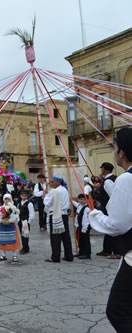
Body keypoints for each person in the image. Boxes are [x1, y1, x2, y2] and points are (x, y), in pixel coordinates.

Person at [89, 128, 132, 332]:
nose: (114, 152)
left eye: (114, 147)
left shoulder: (126, 179)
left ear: (121, 152)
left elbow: (117, 225)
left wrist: (94, 216)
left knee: (117, 310)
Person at [43, 176, 74, 263]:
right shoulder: (64, 190)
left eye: (52, 182)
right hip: (64, 215)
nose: (50, 183)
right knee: (65, 236)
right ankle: (69, 255)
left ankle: (55, 256)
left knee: (55, 236)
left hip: (55, 214)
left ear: (58, 182)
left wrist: (45, 196)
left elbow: (47, 202)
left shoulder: (54, 191)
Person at [95, 162, 120, 259]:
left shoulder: (108, 181)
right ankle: (107, 249)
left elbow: (113, 195)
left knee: (112, 230)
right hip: (109, 208)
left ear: (104, 170)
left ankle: (116, 251)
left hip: (109, 209)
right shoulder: (112, 178)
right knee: (108, 229)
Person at [0, 194, 21, 262]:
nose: (7, 201)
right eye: (6, 199)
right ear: (4, 200)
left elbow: (15, 216)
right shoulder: (0, 208)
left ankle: (14, 255)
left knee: (12, 241)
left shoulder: (13, 208)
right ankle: (3, 255)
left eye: (8, 199)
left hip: (11, 226)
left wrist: (9, 221)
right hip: (3, 226)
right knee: (3, 241)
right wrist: (1, 221)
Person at [72, 194, 91, 259]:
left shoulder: (86, 209)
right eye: (80, 199)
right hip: (79, 226)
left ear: (87, 200)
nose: (82, 201)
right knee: (79, 240)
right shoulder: (79, 205)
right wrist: (71, 201)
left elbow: (85, 220)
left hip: (84, 227)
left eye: (84, 199)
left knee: (85, 240)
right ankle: (81, 252)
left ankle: (87, 253)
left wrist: (84, 229)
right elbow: (75, 204)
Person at [17, 189, 34, 254]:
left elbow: (31, 214)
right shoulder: (19, 204)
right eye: (22, 195)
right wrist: (18, 220)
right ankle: (24, 246)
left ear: (27, 196)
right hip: (20, 221)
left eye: (25, 196)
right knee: (22, 234)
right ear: (20, 196)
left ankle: (26, 247)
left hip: (26, 221)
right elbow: (17, 212)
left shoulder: (29, 204)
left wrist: (29, 221)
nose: (24, 197)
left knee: (25, 235)